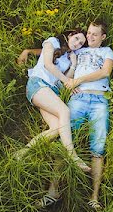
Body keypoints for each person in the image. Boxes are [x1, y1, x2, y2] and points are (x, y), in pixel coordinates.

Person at [36, 20, 113, 210]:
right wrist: (27, 52)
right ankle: (53, 192)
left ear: (103, 37)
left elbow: (105, 72)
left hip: (98, 100)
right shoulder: (77, 51)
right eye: (88, 33)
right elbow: (50, 53)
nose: (89, 37)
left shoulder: (107, 52)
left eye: (95, 34)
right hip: (78, 99)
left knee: (98, 147)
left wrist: (77, 80)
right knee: (65, 141)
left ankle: (94, 197)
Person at [14, 28, 91, 173]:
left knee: (56, 128)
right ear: (70, 35)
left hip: (51, 92)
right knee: (64, 111)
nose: (78, 44)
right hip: (38, 84)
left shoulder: (69, 57)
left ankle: (22, 153)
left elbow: (63, 84)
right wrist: (68, 80)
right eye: (76, 39)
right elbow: (48, 65)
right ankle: (73, 156)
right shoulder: (52, 41)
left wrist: (73, 65)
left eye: (81, 43)